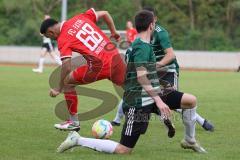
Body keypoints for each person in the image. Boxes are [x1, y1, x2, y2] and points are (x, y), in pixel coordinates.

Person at [56, 10, 206, 154]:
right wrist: (159, 101)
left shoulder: (142, 44)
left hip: (152, 93)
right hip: (138, 102)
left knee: (191, 101)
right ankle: (78, 140)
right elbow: (141, 76)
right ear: (151, 25)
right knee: (124, 150)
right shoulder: (141, 46)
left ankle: (189, 140)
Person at [111, 7, 214, 132]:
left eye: (152, 19)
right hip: (150, 71)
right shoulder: (141, 37)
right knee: (143, 92)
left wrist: (153, 66)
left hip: (168, 70)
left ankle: (198, 122)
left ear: (154, 20)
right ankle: (117, 120)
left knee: (167, 98)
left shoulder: (160, 32)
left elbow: (171, 55)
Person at [40, 8, 126, 131]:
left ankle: (74, 123)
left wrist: (59, 87)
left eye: (48, 36)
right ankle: (160, 109)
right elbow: (105, 13)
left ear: (50, 32)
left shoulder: (62, 38)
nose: (52, 39)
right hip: (114, 56)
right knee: (130, 90)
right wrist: (114, 32)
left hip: (99, 66)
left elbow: (66, 65)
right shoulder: (79, 18)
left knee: (67, 82)